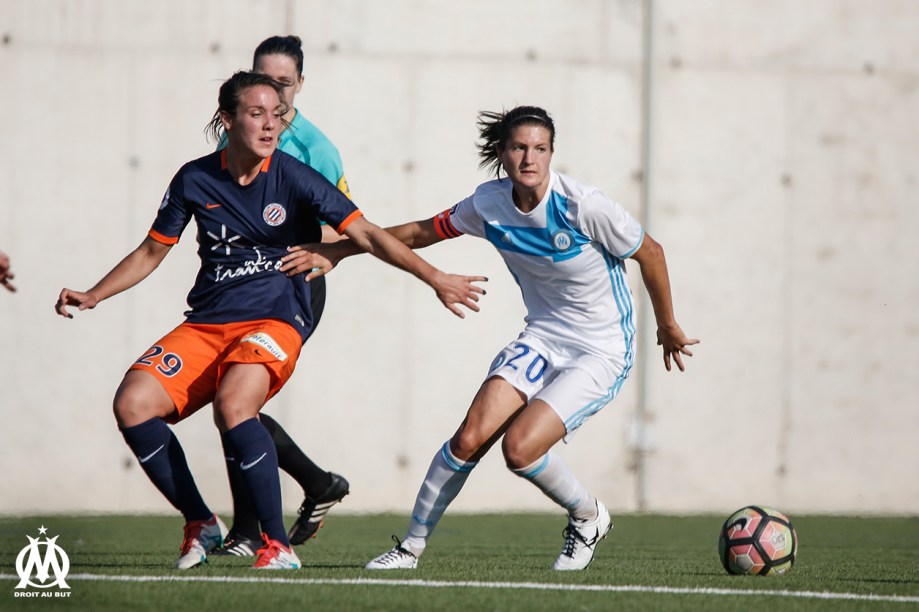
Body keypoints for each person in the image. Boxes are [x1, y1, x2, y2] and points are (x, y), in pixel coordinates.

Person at [54, 71, 486, 570]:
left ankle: (275, 545)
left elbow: (366, 233)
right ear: (227, 120)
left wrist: (435, 277)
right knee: (132, 404)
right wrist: (94, 293)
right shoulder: (194, 178)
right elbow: (152, 251)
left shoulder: (294, 174)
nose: (270, 125)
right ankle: (201, 521)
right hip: (208, 321)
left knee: (235, 405)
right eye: (256, 113)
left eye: (276, 115)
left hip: (277, 315)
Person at [281, 105, 698, 571]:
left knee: (518, 449)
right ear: (502, 153)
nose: (529, 158)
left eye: (540, 148)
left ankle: (588, 516)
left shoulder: (585, 206)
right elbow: (421, 232)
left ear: (552, 153)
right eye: (519, 147)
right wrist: (338, 250)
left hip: (600, 349)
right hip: (543, 337)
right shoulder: (489, 203)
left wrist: (667, 324)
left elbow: (652, 252)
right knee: (468, 438)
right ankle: (410, 548)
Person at [211, 35, 354, 558]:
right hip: (238, 286)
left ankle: (249, 533)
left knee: (236, 404)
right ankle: (315, 485)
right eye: (263, 82)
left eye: (284, 84)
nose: (272, 94)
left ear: (300, 84)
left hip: (292, 290)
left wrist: (316, 252)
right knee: (233, 404)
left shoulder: (315, 149)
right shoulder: (242, 131)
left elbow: (346, 230)